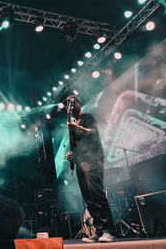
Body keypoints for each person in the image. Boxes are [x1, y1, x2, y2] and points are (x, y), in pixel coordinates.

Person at [64, 95, 116, 243]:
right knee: (88, 198)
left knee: (97, 195)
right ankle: (99, 231)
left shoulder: (87, 117)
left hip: (93, 160)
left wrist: (77, 128)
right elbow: (77, 146)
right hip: (81, 163)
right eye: (67, 104)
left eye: (72, 103)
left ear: (78, 103)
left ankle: (109, 230)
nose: (70, 106)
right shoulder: (72, 123)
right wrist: (71, 154)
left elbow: (93, 134)